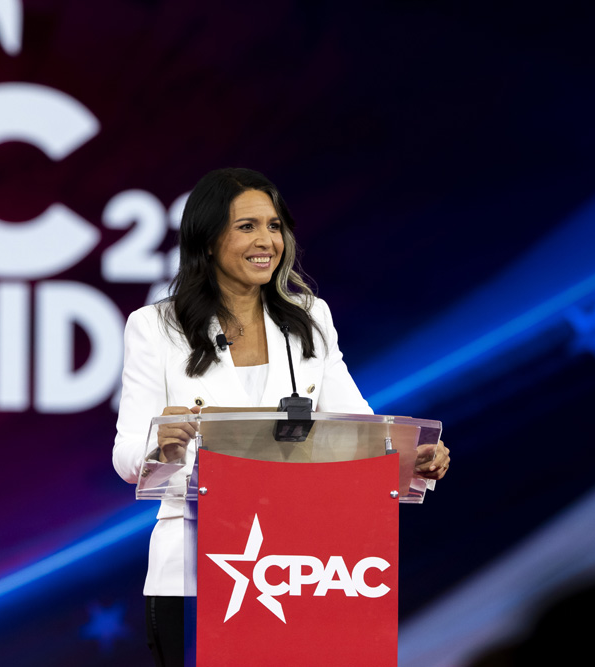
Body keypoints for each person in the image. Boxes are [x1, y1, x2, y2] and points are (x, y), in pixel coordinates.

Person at [112, 167, 450, 666]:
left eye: (274, 226)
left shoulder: (310, 317)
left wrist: (412, 459)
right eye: (246, 226)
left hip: (303, 565)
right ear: (207, 240)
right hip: (196, 567)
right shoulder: (155, 327)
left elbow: (359, 431)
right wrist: (164, 445)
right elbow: (127, 461)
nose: (266, 240)